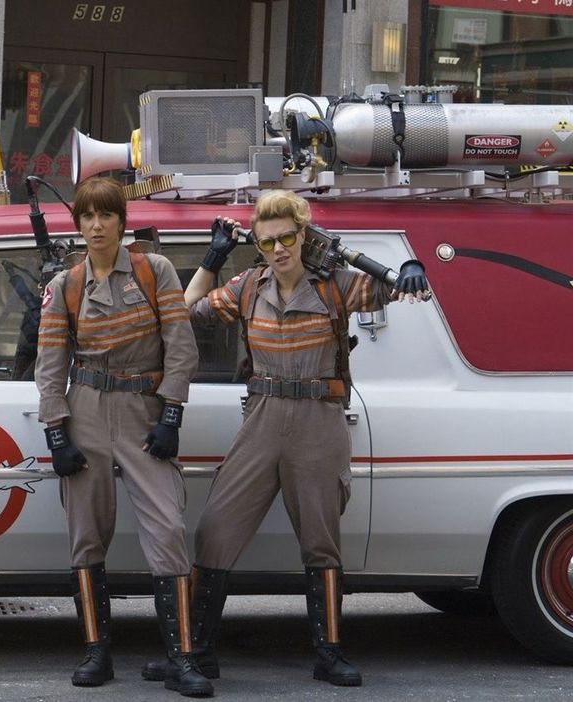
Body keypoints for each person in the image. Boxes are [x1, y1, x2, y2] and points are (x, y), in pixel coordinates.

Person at [169, 189, 431, 688]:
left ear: (303, 235)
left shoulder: (336, 286)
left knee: (320, 538)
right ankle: (196, 650)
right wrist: (213, 259)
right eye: (267, 241)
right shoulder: (248, 287)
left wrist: (414, 265)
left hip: (318, 419)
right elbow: (183, 312)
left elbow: (399, 289)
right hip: (262, 416)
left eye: (287, 238)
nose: (278, 249)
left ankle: (329, 653)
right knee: (217, 529)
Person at [35, 177, 212, 698]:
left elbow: (181, 345)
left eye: (106, 215)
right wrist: (56, 432)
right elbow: (51, 363)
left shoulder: (153, 270)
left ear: (121, 221)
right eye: (87, 217)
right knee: (86, 532)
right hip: (86, 409)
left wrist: (172, 414)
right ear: (78, 224)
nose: (96, 226)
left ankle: (182, 658)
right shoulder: (66, 285)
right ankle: (97, 652)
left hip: (143, 410)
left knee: (168, 528)